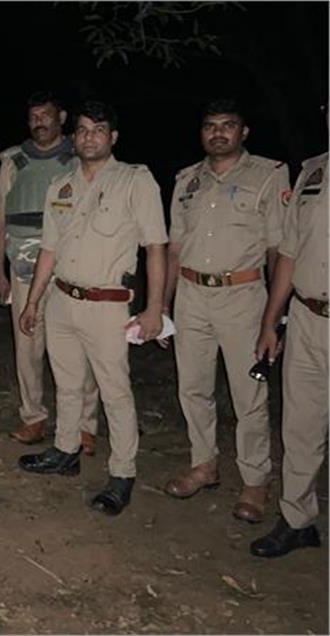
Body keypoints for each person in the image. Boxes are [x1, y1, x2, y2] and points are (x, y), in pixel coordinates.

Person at [18, 101, 168, 516]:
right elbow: (49, 249)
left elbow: (156, 247)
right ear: (74, 136)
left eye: (98, 130)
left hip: (107, 306)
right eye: (82, 130)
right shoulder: (61, 186)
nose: (89, 137)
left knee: (114, 392)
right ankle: (65, 451)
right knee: (67, 384)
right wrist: (32, 302)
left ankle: (122, 473)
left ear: (113, 137)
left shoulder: (135, 181)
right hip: (62, 301)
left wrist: (155, 308)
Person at [162, 99, 290, 524]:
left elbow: (278, 250)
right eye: (210, 126)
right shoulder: (187, 180)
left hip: (243, 296)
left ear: (243, 132)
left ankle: (255, 480)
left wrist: (274, 318)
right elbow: (174, 249)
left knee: (248, 394)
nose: (218, 133)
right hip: (191, 294)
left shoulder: (269, 175)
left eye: (228, 125)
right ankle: (204, 464)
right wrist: (162, 305)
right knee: (193, 387)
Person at [0, 91, 100, 453]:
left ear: (62, 117)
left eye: (46, 115)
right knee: (27, 348)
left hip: (69, 269)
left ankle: (85, 425)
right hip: (23, 267)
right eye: (34, 116)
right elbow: (1, 219)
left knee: (77, 348)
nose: (40, 122)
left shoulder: (80, 156)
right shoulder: (12, 161)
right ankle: (33, 417)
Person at [249, 142, 327, 557]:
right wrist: (270, 320)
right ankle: (297, 519)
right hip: (307, 317)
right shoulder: (313, 171)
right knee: (300, 425)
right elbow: (290, 252)